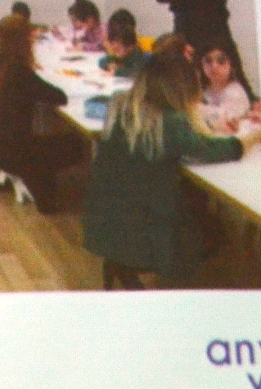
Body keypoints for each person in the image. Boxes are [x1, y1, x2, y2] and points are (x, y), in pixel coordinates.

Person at [84, 33, 261, 288]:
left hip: (102, 218)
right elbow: (219, 150)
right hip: (142, 227)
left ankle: (120, 264)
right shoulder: (170, 122)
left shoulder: (120, 104)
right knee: (212, 232)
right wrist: (254, 137)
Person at [0, 13, 88, 212]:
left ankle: (37, 181)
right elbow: (58, 97)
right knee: (77, 144)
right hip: (17, 153)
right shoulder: (19, 71)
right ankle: (43, 191)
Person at [197, 38, 254, 133]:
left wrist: (195, 108)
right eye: (208, 61)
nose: (214, 66)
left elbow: (221, 122)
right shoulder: (201, 90)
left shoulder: (235, 92)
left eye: (221, 61)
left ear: (232, 65)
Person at [100, 9, 147, 78]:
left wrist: (117, 72)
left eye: (117, 50)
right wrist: (109, 65)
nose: (114, 52)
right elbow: (101, 61)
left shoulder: (136, 55)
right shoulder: (117, 54)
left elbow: (136, 72)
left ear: (130, 47)